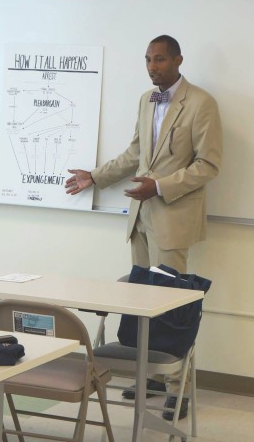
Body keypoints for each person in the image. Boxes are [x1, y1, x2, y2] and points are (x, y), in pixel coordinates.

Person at [65, 35, 222, 420]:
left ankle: (177, 387)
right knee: (139, 304)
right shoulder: (145, 99)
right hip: (140, 216)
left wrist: (161, 186)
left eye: (161, 60)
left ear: (178, 60)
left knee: (174, 306)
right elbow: (137, 153)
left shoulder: (201, 103)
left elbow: (209, 165)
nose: (153, 67)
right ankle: (149, 376)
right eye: (149, 60)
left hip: (174, 216)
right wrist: (96, 176)